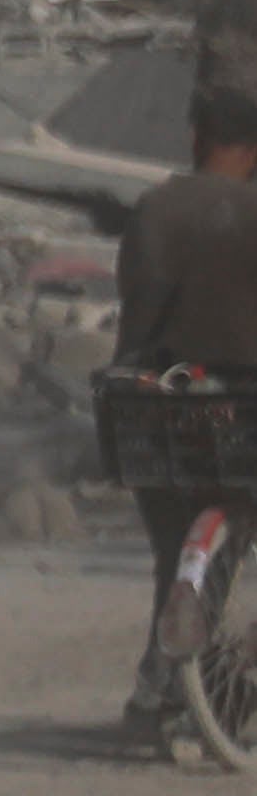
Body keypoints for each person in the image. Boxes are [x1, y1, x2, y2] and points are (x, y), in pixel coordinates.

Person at [118, 85, 257, 741]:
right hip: (240, 408)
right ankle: (213, 685)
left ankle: (155, 695)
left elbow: (134, 319)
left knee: (172, 550)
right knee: (236, 518)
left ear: (197, 136)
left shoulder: (153, 207)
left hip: (154, 408)